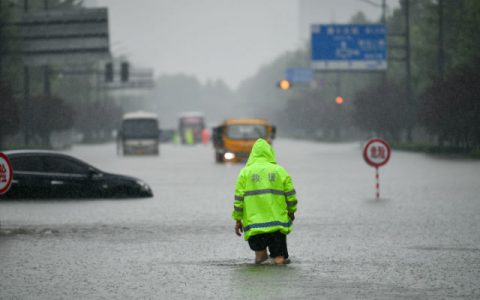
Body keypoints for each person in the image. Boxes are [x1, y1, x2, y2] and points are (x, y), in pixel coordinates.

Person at [232, 138, 297, 264]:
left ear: (253, 154)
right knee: (279, 259)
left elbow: (238, 200)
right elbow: (290, 195)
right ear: (270, 152)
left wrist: (238, 220)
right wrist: (291, 211)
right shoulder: (279, 171)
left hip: (255, 226)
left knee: (260, 260)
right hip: (277, 225)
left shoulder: (245, 173)